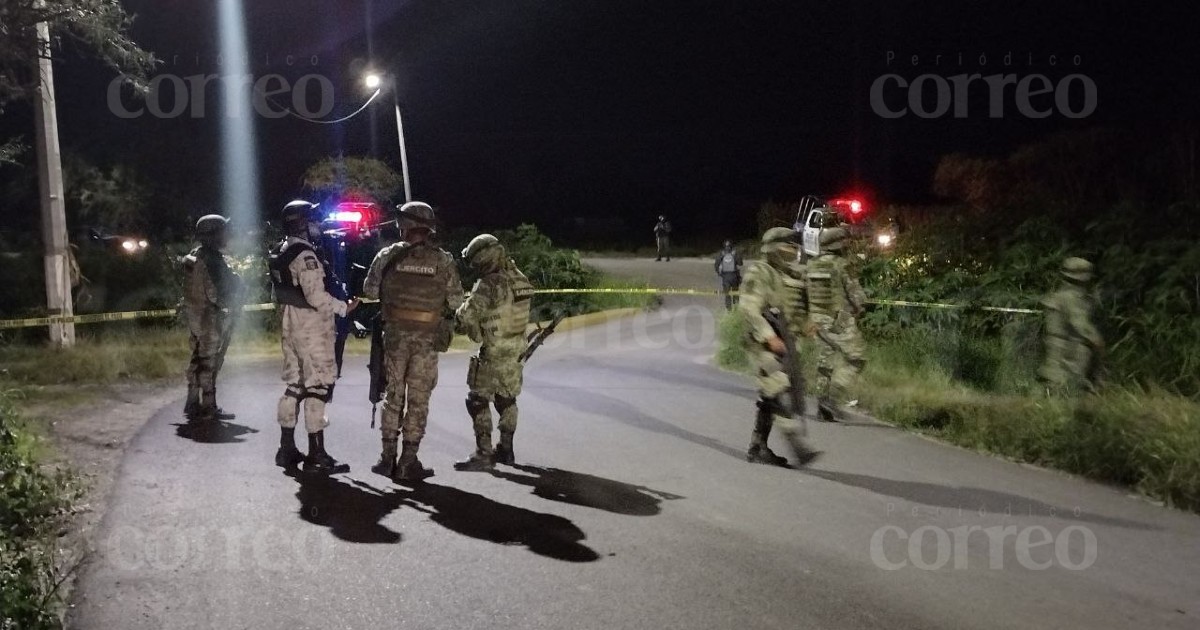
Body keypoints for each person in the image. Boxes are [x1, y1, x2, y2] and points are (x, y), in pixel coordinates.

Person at [363, 201, 463, 482]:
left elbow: (370, 290)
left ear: (404, 226)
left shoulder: (387, 256)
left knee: (393, 397)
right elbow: (456, 300)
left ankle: (386, 460)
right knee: (419, 401)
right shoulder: (443, 260)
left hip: (394, 337)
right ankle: (408, 462)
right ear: (428, 227)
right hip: (427, 340)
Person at [268, 200, 359, 474]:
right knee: (317, 387)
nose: (317, 226)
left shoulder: (281, 249)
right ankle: (316, 454)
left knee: (294, 385)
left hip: (291, 322)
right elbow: (315, 296)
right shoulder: (305, 255)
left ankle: (286, 449)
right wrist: (345, 308)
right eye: (313, 221)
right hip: (311, 327)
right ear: (303, 224)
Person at [738, 227, 820, 466]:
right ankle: (798, 445)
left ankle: (758, 445)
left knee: (771, 393)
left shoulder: (790, 275)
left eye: (795, 247)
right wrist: (768, 336)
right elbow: (749, 308)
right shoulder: (760, 272)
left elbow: (797, 309)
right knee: (778, 388)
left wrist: (807, 325)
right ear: (772, 248)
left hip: (788, 342)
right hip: (763, 342)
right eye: (787, 246)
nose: (792, 251)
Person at [452, 234, 535, 471]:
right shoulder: (520, 279)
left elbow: (465, 317)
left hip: (494, 351)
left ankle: (484, 454)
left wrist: (459, 316)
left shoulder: (489, 284)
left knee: (477, 400)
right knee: (507, 399)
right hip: (517, 348)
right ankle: (506, 449)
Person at [182, 214, 242, 424]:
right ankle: (208, 406)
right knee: (209, 362)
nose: (226, 235)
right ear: (213, 235)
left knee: (197, 358)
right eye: (222, 231)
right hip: (208, 317)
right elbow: (220, 290)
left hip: (195, 316)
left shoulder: (195, 255)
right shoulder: (211, 260)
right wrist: (236, 291)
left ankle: (192, 402)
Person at [806, 227, 868, 421]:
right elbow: (857, 296)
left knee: (825, 363)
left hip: (816, 321)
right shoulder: (842, 265)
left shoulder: (810, 265)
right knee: (857, 359)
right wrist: (860, 308)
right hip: (838, 320)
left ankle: (822, 406)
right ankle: (833, 399)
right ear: (838, 244)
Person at [1038, 257, 1104, 392]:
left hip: (1055, 342)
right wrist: (1096, 340)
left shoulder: (1057, 296)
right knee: (1070, 379)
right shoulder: (1071, 298)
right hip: (1070, 346)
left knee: (1054, 376)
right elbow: (1080, 325)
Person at [714, 239, 744, 311]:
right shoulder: (734, 253)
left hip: (725, 277)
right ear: (731, 246)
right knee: (735, 293)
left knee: (727, 294)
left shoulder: (721, 254)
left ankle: (729, 310)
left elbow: (716, 265)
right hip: (734, 276)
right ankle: (736, 309)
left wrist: (719, 273)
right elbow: (740, 263)